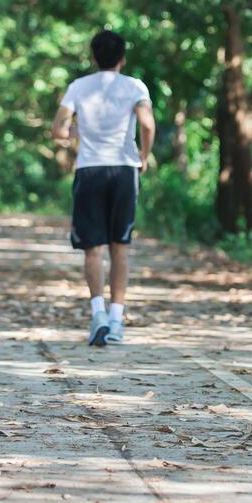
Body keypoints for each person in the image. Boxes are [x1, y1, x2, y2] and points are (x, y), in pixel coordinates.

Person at [51, 30, 155, 346]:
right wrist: (144, 156)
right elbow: (147, 124)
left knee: (92, 248)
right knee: (119, 246)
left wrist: (72, 136)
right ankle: (116, 320)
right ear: (122, 59)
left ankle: (97, 313)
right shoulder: (135, 86)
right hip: (123, 169)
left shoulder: (78, 87)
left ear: (94, 58)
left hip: (90, 170)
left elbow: (58, 129)